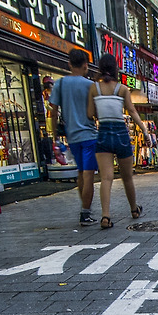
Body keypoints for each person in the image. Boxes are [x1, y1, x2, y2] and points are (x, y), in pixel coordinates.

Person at [88, 52, 151, 229]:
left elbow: (90, 114)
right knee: (127, 177)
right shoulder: (122, 89)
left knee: (106, 178)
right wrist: (145, 132)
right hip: (121, 133)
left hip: (103, 133)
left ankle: (105, 216)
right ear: (116, 69)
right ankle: (133, 209)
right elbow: (132, 111)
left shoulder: (94, 89)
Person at [47, 49, 98, 225]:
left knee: (81, 173)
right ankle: (85, 213)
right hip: (90, 135)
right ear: (86, 65)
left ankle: (85, 209)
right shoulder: (90, 85)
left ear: (69, 64)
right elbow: (94, 113)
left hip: (72, 137)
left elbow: (53, 112)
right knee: (89, 174)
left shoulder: (60, 84)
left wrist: (54, 135)